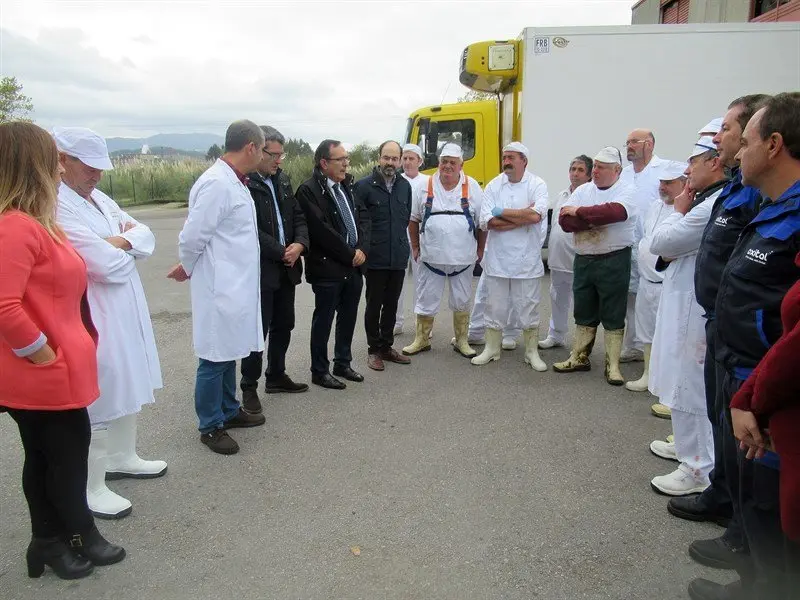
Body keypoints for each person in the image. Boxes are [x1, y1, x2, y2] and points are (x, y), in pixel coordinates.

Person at [0, 122, 124, 580]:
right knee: (64, 457)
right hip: (43, 371)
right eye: (52, 159)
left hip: (59, 365)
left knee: (49, 455)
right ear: (30, 163)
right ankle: (73, 534)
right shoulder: (16, 226)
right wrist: (40, 353)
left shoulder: (38, 222)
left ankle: (51, 540)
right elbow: (4, 304)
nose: (58, 168)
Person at [689, 92, 800, 600]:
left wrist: (755, 395)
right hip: (742, 371)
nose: (732, 150)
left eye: (745, 139)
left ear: (774, 145)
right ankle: (753, 581)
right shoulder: (773, 206)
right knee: (753, 495)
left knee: (771, 503)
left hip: (768, 387)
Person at [673, 95, 770, 577]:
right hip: (723, 326)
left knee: (749, 441)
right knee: (723, 422)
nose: (719, 138)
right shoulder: (737, 187)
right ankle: (724, 497)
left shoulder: (760, 195)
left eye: (729, 130)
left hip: (749, 341)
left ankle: (745, 541)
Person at [53, 127, 165, 520]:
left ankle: (122, 456)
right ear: (62, 160)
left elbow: (146, 235)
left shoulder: (99, 198)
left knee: (126, 375)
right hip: (92, 308)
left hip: (123, 304)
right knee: (100, 386)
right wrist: (124, 246)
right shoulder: (57, 204)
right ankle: (90, 485)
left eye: (101, 167)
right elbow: (100, 264)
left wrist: (121, 243)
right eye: (89, 167)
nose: (97, 175)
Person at [169, 120, 267, 455]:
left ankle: (228, 409)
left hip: (236, 285)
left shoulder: (234, 181)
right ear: (250, 147)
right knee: (214, 356)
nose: (263, 155)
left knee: (230, 350)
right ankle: (210, 425)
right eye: (262, 149)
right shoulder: (216, 184)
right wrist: (188, 266)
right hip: (220, 286)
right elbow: (191, 237)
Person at [647, 138, 728, 496]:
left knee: (690, 383)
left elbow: (661, 242)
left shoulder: (706, 207)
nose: (686, 169)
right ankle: (685, 447)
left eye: (693, 161)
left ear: (714, 163)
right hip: (681, 299)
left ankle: (696, 467)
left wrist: (678, 211)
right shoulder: (703, 200)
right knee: (677, 376)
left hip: (694, 307)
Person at [239, 126, 309, 415]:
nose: (279, 160)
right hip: (262, 269)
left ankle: (276, 375)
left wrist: (299, 244)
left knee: (284, 324)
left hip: (287, 267)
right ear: (258, 149)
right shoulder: (245, 184)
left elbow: (297, 216)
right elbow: (249, 230)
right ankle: (249, 386)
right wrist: (281, 251)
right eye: (274, 155)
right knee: (258, 331)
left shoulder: (282, 180)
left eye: (282, 155)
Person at [554, 147, 637, 385]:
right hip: (584, 259)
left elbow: (616, 212)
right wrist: (595, 219)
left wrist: (580, 212)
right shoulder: (583, 190)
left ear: (617, 170)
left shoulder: (627, 190)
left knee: (613, 311)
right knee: (583, 308)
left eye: (601, 167)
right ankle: (579, 356)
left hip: (614, 259)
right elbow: (565, 221)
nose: (596, 171)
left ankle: (613, 365)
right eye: (596, 166)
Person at [296, 140, 370, 390]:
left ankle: (342, 363)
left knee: (348, 317)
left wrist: (362, 249)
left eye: (347, 158)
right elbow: (321, 231)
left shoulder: (347, 186)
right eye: (341, 159)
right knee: (324, 319)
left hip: (353, 265)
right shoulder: (308, 191)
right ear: (324, 163)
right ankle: (319, 370)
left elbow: (362, 218)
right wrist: (350, 253)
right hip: (328, 267)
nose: (346, 164)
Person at [402, 143, 483, 358]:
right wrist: (415, 246)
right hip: (431, 257)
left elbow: (482, 223)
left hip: (463, 258)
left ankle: (462, 340)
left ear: (461, 165)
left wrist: (481, 250)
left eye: (452, 162)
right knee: (426, 298)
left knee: (462, 299)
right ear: (438, 163)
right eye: (444, 161)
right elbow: (413, 219)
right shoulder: (424, 185)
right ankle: (421, 339)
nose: (447, 166)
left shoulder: (473, 186)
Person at [471, 142, 548, 370]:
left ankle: (531, 352)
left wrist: (501, 212)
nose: (506, 161)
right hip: (498, 260)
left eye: (511, 157)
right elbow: (487, 222)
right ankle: (491, 348)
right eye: (504, 157)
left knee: (528, 306)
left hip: (526, 261)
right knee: (494, 306)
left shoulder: (537, 184)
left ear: (524, 161)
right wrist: (522, 217)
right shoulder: (494, 185)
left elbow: (537, 216)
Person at [624, 161, 684, 393]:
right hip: (646, 282)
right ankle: (648, 375)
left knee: (669, 335)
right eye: (661, 182)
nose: (663, 187)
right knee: (647, 332)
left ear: (683, 184)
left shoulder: (686, 211)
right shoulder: (654, 207)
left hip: (668, 284)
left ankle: (669, 383)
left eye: (669, 183)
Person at [354, 140, 412, 371]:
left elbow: (404, 218)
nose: (390, 162)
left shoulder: (405, 186)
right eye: (386, 157)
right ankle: (374, 350)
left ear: (400, 161)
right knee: (374, 304)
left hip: (397, 255)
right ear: (379, 158)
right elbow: (359, 223)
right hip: (375, 257)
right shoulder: (363, 187)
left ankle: (387, 347)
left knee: (392, 304)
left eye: (394, 158)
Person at [621, 129, 667, 363]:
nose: (629, 146)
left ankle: (657, 350)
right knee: (631, 297)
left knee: (653, 299)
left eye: (634, 142)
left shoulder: (664, 171)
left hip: (653, 248)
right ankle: (633, 345)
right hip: (627, 245)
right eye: (627, 142)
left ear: (649, 144)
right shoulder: (624, 174)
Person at [539, 155, 592, 350]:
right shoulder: (562, 195)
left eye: (580, 170)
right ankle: (556, 335)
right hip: (558, 259)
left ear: (589, 175)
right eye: (572, 169)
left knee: (582, 304)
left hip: (579, 259)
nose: (575, 174)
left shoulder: (591, 196)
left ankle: (582, 342)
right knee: (557, 298)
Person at [395, 143, 429, 336]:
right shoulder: (395, 181)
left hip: (420, 239)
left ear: (420, 161)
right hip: (399, 239)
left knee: (421, 282)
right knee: (397, 282)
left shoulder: (429, 182)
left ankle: (421, 323)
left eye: (411, 159)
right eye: (405, 158)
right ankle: (396, 321)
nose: (407, 162)